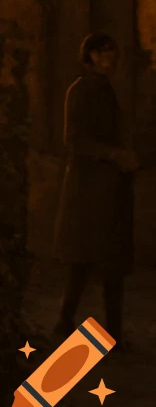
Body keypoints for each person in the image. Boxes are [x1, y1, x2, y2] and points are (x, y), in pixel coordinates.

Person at [52, 32, 139, 341]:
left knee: (111, 261)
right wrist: (113, 155)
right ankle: (64, 321)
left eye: (112, 55)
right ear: (88, 57)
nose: (108, 61)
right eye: (101, 54)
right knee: (83, 259)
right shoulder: (82, 91)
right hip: (87, 190)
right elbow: (74, 141)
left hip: (110, 189)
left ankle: (112, 330)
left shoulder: (106, 91)